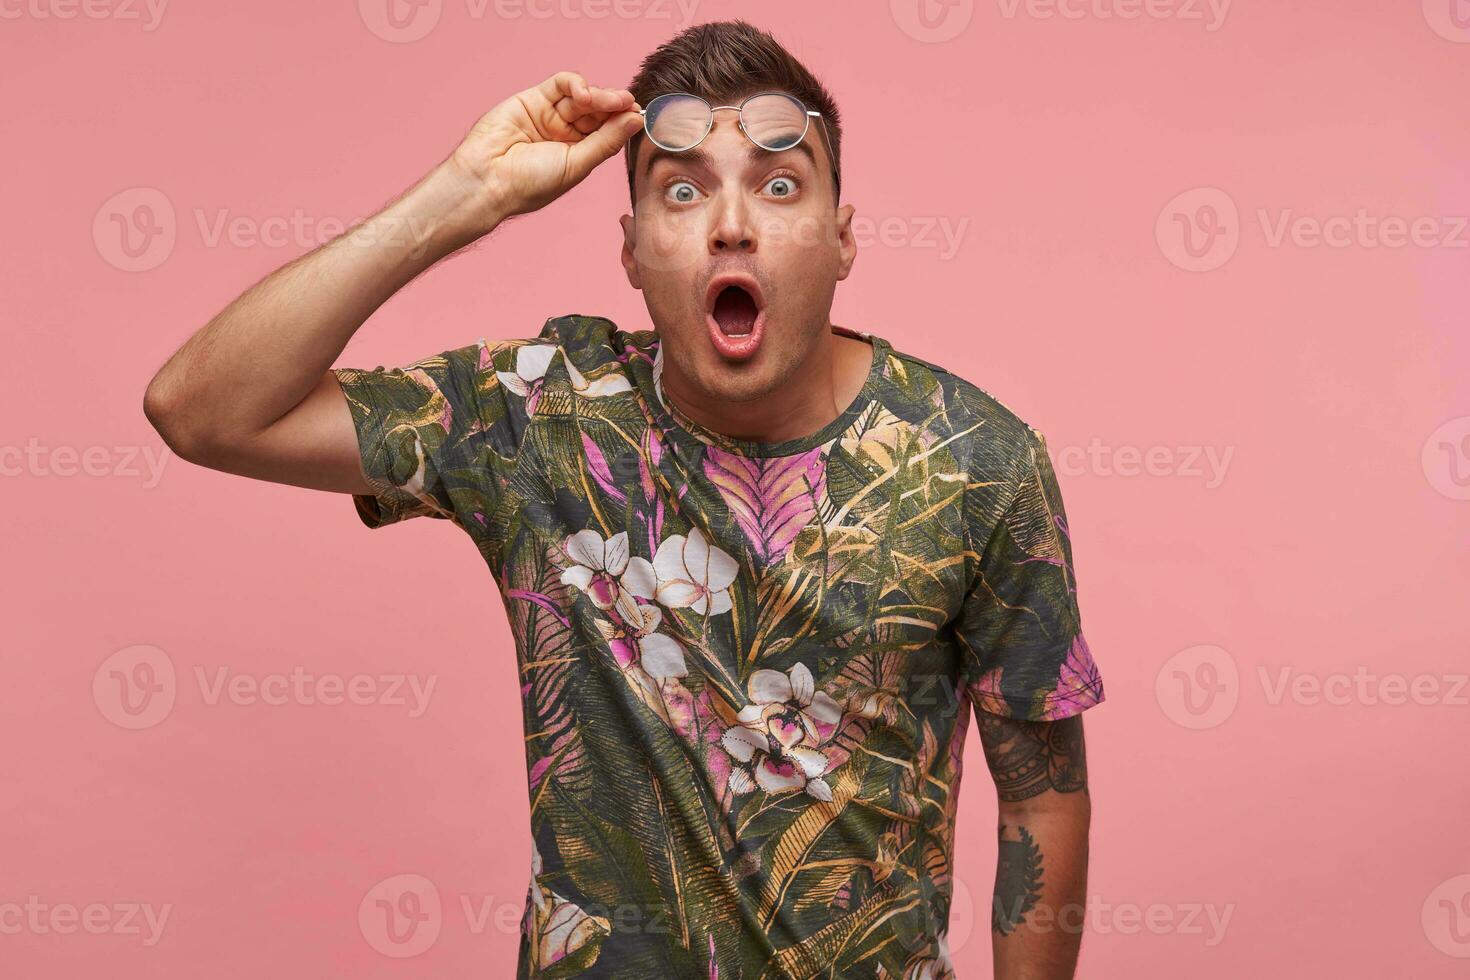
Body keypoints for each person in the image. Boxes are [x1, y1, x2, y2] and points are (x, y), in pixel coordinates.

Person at [143, 19, 1104, 980]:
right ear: (632, 251)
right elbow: (203, 412)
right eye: (681, 192)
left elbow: (1041, 798)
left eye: (780, 184)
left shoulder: (975, 462)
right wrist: (462, 199)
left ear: (844, 238)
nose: (731, 223)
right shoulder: (540, 417)